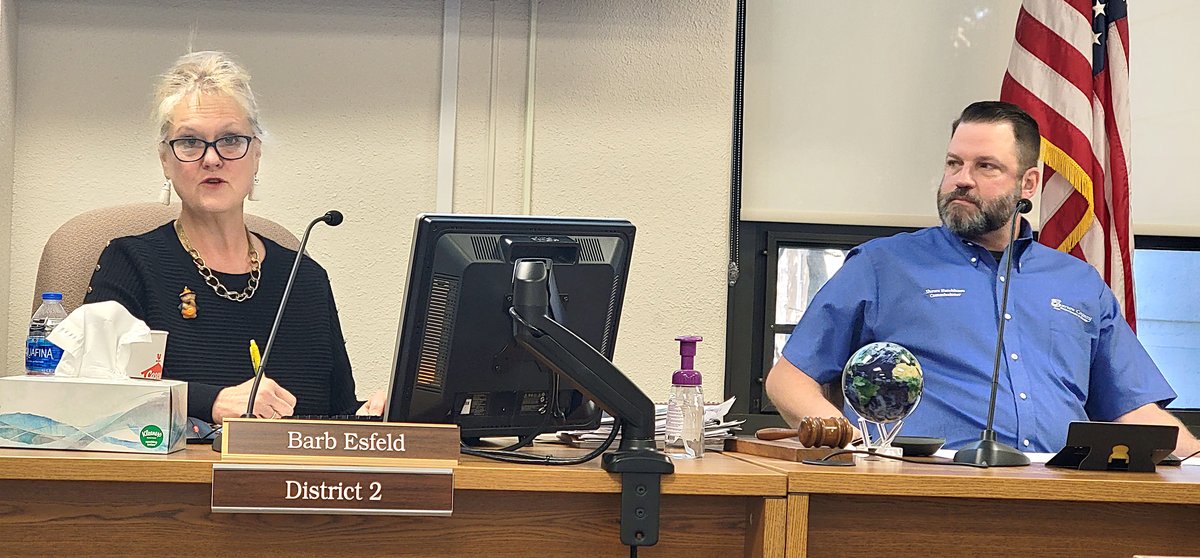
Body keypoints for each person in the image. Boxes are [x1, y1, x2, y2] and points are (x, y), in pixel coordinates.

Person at [764, 101, 1200, 457]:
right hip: (923, 488)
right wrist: (854, 447)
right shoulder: (882, 265)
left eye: (985, 166)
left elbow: (1132, 410)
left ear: (1028, 183)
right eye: (953, 163)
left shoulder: (1078, 282)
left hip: (1061, 491)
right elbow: (789, 379)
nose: (961, 180)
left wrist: (1194, 457)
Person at [85, 51, 385, 423]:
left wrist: (374, 415)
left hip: (289, 465)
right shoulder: (130, 264)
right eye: (190, 142)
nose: (212, 159)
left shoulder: (306, 279)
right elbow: (93, 391)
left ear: (256, 154)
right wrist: (211, 402)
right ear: (165, 160)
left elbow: (337, 414)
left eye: (230, 140)